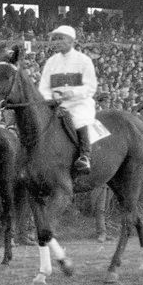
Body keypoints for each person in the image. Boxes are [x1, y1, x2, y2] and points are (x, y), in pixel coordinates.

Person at [37, 24, 97, 174]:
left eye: (60, 38)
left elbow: (90, 87)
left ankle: (85, 156)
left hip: (78, 103)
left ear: (71, 41)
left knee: (78, 119)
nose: (56, 42)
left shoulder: (84, 60)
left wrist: (73, 93)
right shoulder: (51, 62)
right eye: (55, 39)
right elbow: (43, 87)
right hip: (55, 104)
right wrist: (50, 97)